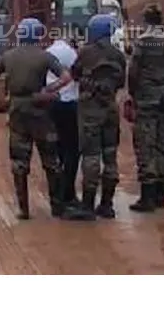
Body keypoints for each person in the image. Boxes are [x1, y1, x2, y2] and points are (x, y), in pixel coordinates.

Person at [0, 17, 72, 220]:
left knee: (19, 162)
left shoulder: (8, 56)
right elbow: (66, 77)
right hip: (40, 111)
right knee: (51, 161)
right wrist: (49, 90)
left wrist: (1, 101)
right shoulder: (44, 57)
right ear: (38, 35)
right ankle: (57, 207)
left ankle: (23, 209)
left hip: (17, 112)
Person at [63, 14, 126, 221]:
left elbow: (75, 73)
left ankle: (88, 205)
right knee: (110, 156)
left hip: (90, 111)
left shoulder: (85, 52)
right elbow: (121, 82)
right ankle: (107, 204)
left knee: (91, 156)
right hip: (110, 110)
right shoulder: (118, 55)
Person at [126, 2, 164, 212]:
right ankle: (161, 192)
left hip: (146, 99)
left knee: (145, 145)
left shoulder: (144, 41)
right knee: (161, 143)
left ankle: (147, 196)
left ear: (146, 20)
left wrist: (132, 94)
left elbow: (134, 71)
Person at [45, 31, 80, 206]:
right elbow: (78, 75)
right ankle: (69, 193)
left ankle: (57, 193)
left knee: (57, 149)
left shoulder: (48, 52)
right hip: (70, 104)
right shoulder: (71, 53)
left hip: (52, 105)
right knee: (72, 150)